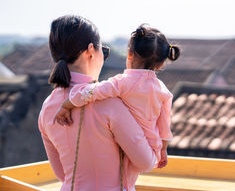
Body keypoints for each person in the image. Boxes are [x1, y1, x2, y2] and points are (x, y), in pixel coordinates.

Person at [38, 15, 157, 191]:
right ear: (90, 51)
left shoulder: (48, 107)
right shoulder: (109, 103)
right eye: (105, 51)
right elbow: (146, 161)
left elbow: (62, 173)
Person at [54, 24, 181, 169]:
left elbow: (91, 93)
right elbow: (164, 125)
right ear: (160, 64)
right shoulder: (162, 89)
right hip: (152, 152)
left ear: (129, 54)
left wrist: (67, 104)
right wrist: (163, 150)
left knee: (105, 101)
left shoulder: (123, 82)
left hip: (135, 151)